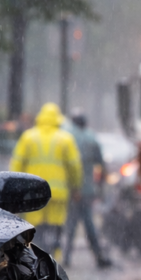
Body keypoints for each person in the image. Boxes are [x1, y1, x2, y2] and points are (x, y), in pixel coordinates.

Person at [10, 103, 82, 259]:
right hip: (58, 193)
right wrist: (76, 187)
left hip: (33, 193)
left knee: (35, 226)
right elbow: (74, 166)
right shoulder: (65, 139)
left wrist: (14, 187)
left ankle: (35, 255)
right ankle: (53, 255)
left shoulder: (28, 137)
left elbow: (17, 163)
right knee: (56, 224)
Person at [63, 110, 113, 268]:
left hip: (71, 190)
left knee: (70, 224)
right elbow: (101, 165)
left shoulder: (66, 137)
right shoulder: (91, 138)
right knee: (89, 224)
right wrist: (102, 186)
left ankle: (66, 257)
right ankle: (98, 255)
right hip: (87, 190)